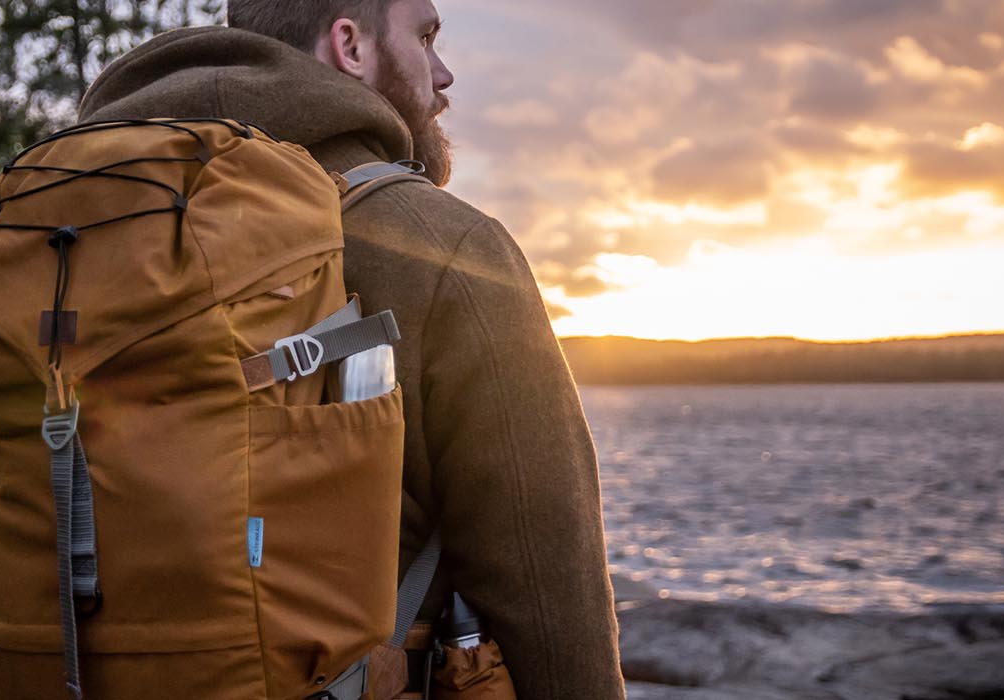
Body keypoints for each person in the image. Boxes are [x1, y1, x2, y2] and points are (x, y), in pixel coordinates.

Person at [76, 1, 626, 697]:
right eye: (425, 37)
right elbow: (550, 586)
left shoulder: (77, 230)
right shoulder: (446, 246)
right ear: (350, 45)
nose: (444, 73)